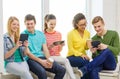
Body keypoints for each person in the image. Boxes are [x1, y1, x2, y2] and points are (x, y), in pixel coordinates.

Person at [22, 14, 66, 79]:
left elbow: (45, 50)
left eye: (31, 23)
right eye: (28, 24)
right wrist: (41, 61)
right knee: (42, 73)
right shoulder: (23, 35)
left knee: (62, 70)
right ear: (25, 24)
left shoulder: (40, 34)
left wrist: (49, 60)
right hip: (30, 60)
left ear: (35, 23)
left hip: (42, 57)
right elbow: (28, 53)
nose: (30, 26)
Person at [44, 14, 76, 79]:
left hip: (58, 56)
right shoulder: (43, 34)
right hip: (49, 56)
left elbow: (59, 50)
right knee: (66, 61)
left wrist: (61, 46)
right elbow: (42, 50)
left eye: (54, 24)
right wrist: (51, 46)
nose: (53, 26)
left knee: (65, 69)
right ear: (46, 22)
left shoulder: (58, 34)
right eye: (51, 24)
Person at [67, 13, 90, 79]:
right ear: (76, 24)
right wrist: (81, 55)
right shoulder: (70, 34)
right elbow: (71, 49)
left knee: (86, 63)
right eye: (81, 25)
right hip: (71, 57)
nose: (84, 26)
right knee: (85, 62)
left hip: (82, 57)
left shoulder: (87, 33)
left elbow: (85, 48)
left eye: (85, 24)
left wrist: (89, 46)